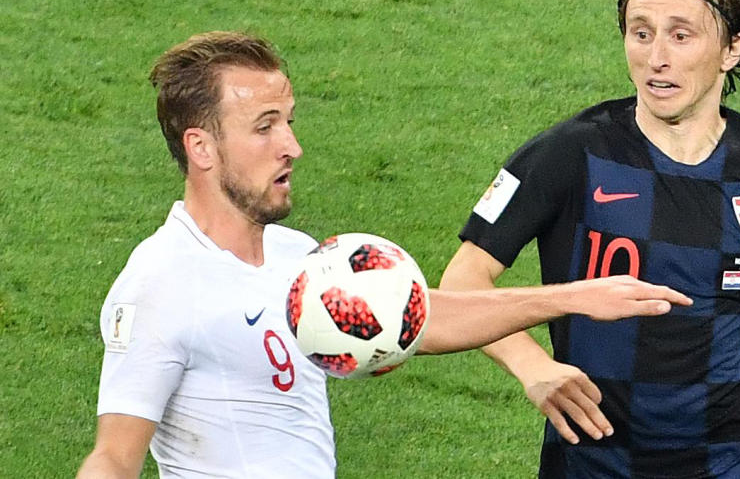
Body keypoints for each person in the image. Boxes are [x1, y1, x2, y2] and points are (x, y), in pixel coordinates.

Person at [75, 31, 690, 479]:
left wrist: (574, 298)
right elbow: (114, 456)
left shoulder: (298, 259)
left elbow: (422, 317)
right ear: (201, 148)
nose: (292, 145)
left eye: (289, 120)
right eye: (265, 127)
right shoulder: (160, 284)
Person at [439, 0, 740, 479]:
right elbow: (464, 282)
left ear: (732, 48)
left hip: (729, 463)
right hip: (588, 464)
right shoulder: (570, 155)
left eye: (681, 34)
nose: (656, 58)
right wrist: (531, 364)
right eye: (641, 32)